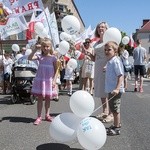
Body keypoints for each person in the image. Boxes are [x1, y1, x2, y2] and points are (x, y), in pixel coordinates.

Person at [86, 22, 113, 122]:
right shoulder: (96, 43)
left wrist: (107, 64)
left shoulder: (109, 41)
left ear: (106, 28)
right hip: (98, 67)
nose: (100, 28)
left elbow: (113, 55)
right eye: (99, 27)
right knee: (101, 90)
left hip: (108, 67)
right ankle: (105, 111)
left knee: (109, 90)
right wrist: (89, 55)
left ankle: (111, 113)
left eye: (103, 27)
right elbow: (95, 58)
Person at [28, 38, 58, 125]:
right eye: (44, 46)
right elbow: (29, 58)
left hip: (49, 81)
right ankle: (39, 116)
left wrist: (54, 81)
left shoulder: (53, 58)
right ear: (41, 47)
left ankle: (47, 115)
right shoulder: (39, 56)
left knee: (48, 99)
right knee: (40, 99)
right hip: (41, 80)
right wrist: (34, 50)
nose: (46, 48)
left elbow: (56, 70)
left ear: (50, 47)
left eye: (47, 46)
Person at [104, 41, 124, 135]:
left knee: (115, 110)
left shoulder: (116, 61)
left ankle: (117, 128)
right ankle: (116, 124)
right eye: (105, 50)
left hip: (115, 90)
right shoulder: (110, 61)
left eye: (109, 49)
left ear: (115, 51)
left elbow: (120, 75)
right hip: (111, 89)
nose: (107, 51)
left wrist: (117, 88)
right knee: (112, 108)